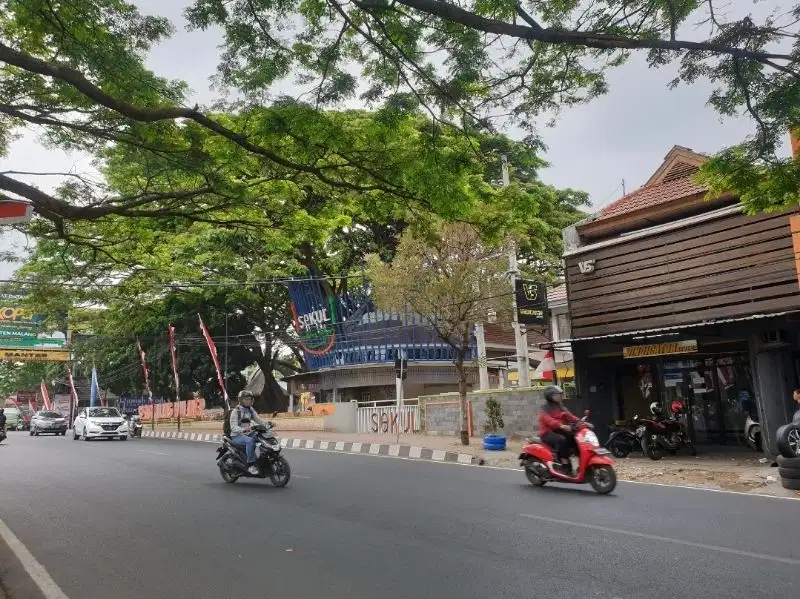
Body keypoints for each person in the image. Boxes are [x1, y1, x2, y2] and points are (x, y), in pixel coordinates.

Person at [538, 386, 581, 472]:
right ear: (550, 397)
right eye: (556, 395)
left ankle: (579, 462)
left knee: (575, 437)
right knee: (562, 440)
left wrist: (581, 422)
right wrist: (561, 425)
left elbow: (570, 416)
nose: (559, 397)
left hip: (558, 429)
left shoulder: (560, 407)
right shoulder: (544, 409)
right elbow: (549, 420)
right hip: (547, 432)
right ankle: (564, 462)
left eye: (559, 395)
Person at [229, 391, 265, 475]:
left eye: (250, 399)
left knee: (261, 438)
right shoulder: (236, 411)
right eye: (246, 399)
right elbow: (233, 427)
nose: (249, 401)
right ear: (241, 400)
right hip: (236, 436)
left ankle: (262, 459)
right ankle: (250, 465)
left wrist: (267, 424)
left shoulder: (250, 409)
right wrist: (243, 430)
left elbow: (258, 419)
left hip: (248, 433)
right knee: (249, 441)